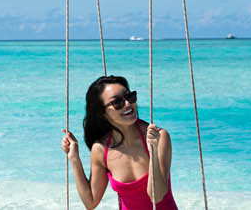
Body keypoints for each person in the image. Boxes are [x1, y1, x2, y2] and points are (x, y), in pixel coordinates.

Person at [61, 76, 177, 210]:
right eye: (117, 102)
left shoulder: (158, 136)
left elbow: (157, 196)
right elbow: (91, 202)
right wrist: (74, 158)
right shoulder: (101, 149)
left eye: (130, 97)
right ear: (102, 113)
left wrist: (154, 153)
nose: (128, 104)